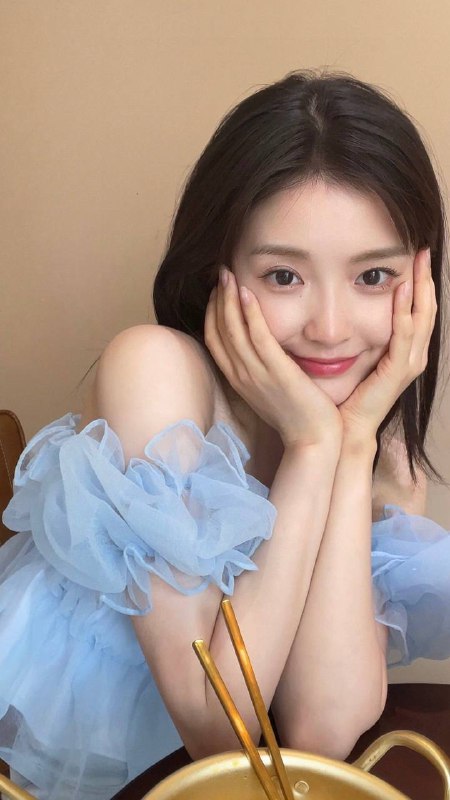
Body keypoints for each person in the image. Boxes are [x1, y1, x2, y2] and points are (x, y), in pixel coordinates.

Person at [1, 70, 449, 800]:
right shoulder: (154, 372)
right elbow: (220, 732)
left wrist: (347, 447)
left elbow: (322, 730)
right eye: (283, 276)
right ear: (220, 271)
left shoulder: (377, 443)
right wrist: (312, 447)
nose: (330, 327)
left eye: (373, 276)